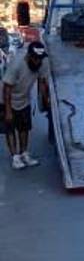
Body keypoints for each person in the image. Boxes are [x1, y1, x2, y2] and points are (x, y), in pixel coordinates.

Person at [3, 40, 50, 170]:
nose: (37, 62)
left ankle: (24, 153)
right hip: (6, 98)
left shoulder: (42, 61)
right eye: (35, 59)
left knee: (24, 128)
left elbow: (42, 82)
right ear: (29, 56)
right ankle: (15, 157)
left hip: (24, 98)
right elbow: (7, 87)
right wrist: (8, 110)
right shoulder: (17, 63)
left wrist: (47, 102)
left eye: (39, 59)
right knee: (10, 128)